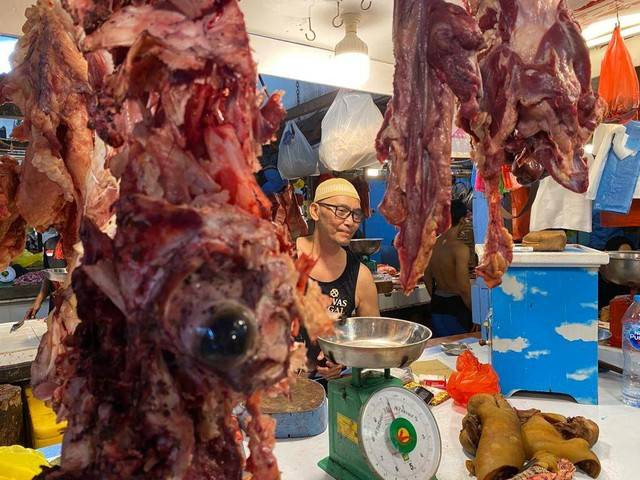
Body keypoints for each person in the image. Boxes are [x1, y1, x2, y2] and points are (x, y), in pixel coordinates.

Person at [296, 178, 379, 380]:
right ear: (315, 211)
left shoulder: (360, 276)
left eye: (356, 214)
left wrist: (344, 358)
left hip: (334, 391)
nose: (350, 221)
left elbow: (371, 341)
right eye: (340, 211)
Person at [423, 200, 473, 336]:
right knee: (462, 349)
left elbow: (426, 278)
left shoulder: (431, 245)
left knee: (443, 348)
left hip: (437, 305)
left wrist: (435, 299)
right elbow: (463, 287)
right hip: (457, 307)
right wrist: (475, 313)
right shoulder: (460, 249)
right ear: (463, 220)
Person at [24, 230, 66, 320]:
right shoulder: (50, 243)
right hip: (55, 308)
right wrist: (38, 300)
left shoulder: (86, 245)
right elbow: (50, 275)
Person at [598, 236, 635, 310]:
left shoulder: (628, 282)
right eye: (621, 257)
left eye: (627, 259)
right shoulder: (594, 278)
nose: (624, 263)